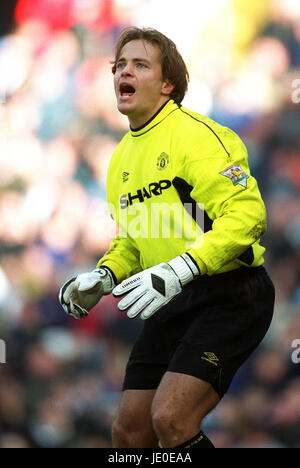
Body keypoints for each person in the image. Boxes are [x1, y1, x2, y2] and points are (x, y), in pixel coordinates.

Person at [59, 27, 275, 449]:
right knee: (128, 432)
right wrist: (104, 277)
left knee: (171, 419)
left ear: (167, 83)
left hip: (229, 294)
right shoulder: (121, 155)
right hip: (169, 298)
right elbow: (135, 242)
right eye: (120, 65)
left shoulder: (198, 136)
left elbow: (249, 216)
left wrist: (184, 266)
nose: (125, 71)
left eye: (140, 64)